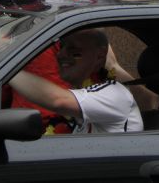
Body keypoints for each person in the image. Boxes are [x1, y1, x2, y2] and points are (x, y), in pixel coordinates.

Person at [8, 29, 143, 134]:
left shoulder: (115, 94)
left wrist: (6, 68)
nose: (61, 54)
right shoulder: (82, 97)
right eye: (61, 47)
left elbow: (57, 101)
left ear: (99, 57)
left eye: (74, 51)